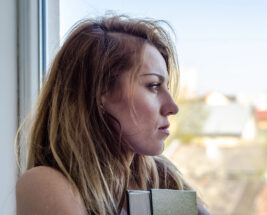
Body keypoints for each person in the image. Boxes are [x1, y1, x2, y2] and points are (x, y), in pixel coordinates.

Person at [15, 15, 211, 215]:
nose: (173, 107)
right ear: (100, 91)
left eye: (166, 87)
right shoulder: (45, 184)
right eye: (153, 85)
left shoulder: (162, 179)